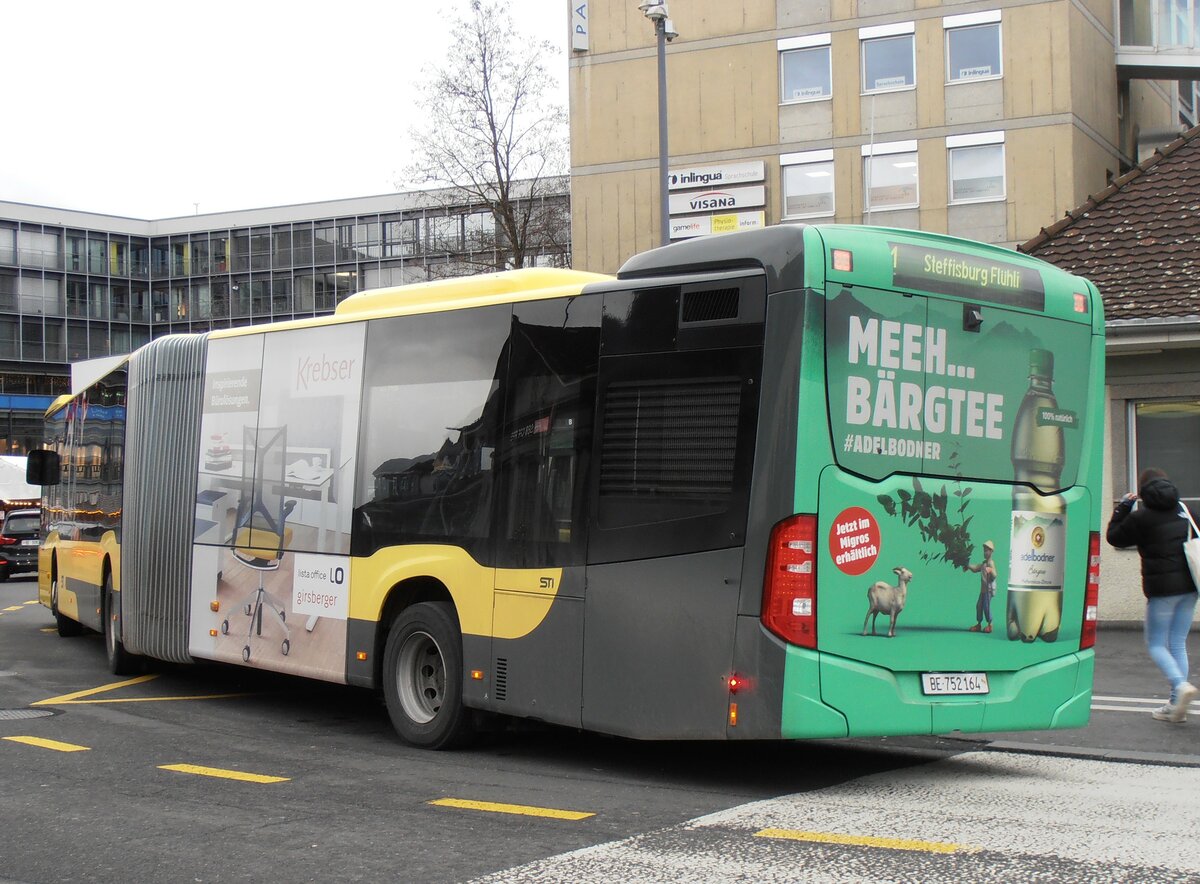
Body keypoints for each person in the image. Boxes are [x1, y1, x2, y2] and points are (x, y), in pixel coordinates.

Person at [1106, 468, 1199, 722]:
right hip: (1190, 587)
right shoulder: (1186, 510)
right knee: (1178, 642)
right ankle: (1174, 705)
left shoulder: (1141, 517)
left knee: (1157, 643)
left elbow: (1114, 538)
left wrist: (1123, 506)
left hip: (1162, 592)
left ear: (1143, 490)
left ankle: (1180, 687)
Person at [967, 539, 997, 633]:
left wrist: (991, 571)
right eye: (984, 550)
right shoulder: (984, 563)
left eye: (987, 550)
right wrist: (967, 565)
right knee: (979, 605)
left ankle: (990, 624)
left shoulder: (990, 563)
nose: (985, 552)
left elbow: (995, 575)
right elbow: (976, 568)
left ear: (991, 551)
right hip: (983, 589)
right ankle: (979, 624)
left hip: (988, 589)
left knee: (986, 606)